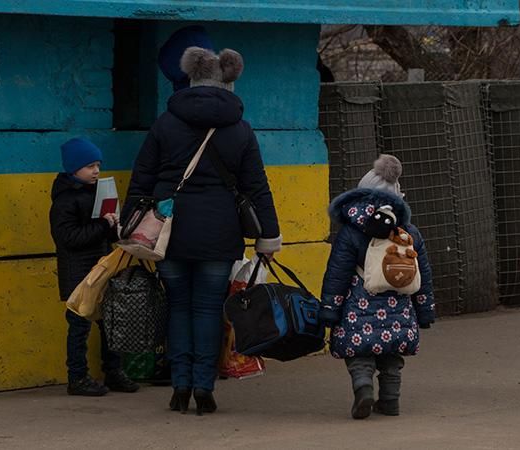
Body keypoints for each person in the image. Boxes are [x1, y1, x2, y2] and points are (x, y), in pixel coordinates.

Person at [124, 46, 282, 415]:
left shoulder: (165, 123)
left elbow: (142, 177)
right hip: (218, 233)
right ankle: (204, 388)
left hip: (169, 231)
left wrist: (130, 223)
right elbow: (257, 187)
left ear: (190, 77)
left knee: (178, 306)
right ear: (226, 78)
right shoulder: (240, 129)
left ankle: (179, 388)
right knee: (209, 309)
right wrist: (268, 237)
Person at [320, 154, 435, 419]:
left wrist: (329, 309)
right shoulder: (408, 231)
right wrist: (425, 310)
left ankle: (363, 388)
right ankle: (390, 401)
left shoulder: (351, 231)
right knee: (392, 356)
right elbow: (424, 274)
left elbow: (337, 273)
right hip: (399, 308)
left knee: (360, 353)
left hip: (358, 306)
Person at [50, 137, 140, 396]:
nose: (96, 171)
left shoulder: (98, 194)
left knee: (110, 322)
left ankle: (113, 371)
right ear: (74, 168)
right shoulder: (65, 201)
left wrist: (114, 227)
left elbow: (103, 234)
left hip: (101, 266)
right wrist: (102, 225)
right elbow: (68, 238)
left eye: (98, 165)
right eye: (90, 166)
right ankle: (77, 377)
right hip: (78, 272)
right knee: (79, 326)